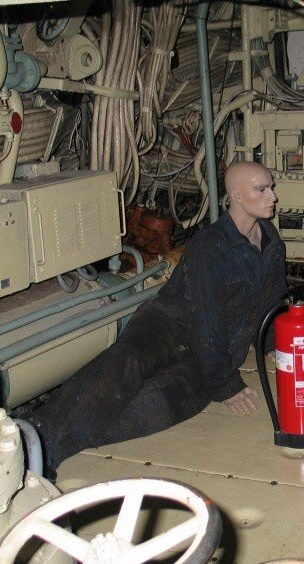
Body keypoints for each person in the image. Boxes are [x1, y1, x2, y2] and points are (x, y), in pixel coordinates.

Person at [23, 161, 288, 475]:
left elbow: (272, 298)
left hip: (214, 347)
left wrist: (271, 343)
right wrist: (224, 383)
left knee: (158, 405)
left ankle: (55, 447)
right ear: (237, 196)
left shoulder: (270, 241)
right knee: (123, 364)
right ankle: (37, 442)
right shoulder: (210, 246)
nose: (272, 196)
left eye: (271, 188)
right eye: (262, 189)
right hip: (168, 327)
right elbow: (206, 317)